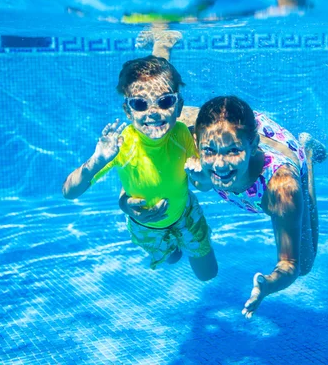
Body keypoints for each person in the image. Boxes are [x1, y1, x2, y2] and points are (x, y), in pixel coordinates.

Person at [61, 50, 218, 281]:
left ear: (179, 106)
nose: (153, 113)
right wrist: (97, 162)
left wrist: (203, 177)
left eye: (164, 101)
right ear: (128, 110)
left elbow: (202, 185)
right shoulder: (122, 144)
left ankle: (180, 244)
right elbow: (69, 192)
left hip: (186, 214)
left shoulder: (182, 133)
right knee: (172, 258)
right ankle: (172, 248)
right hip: (145, 226)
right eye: (140, 104)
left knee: (208, 274)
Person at [184, 95, 323, 318]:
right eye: (209, 151)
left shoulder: (282, 188)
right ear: (197, 141)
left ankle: (308, 153)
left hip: (284, 157)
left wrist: (268, 284)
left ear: (252, 146)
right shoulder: (200, 136)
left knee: (305, 265)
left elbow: (290, 264)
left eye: (233, 151)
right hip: (236, 129)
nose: (220, 165)